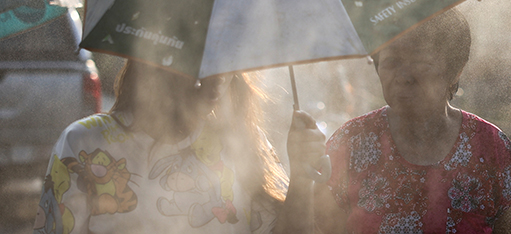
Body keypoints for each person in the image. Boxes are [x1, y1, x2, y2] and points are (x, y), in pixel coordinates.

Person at [33, 59, 326, 234]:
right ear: (157, 58)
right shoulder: (85, 143)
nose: (219, 77)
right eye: (200, 58)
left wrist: (300, 178)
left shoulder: (241, 143)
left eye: (227, 57)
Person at [316, 9, 511, 234]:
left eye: (419, 62)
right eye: (391, 62)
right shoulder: (350, 143)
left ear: (455, 70)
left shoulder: (491, 149)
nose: (403, 76)